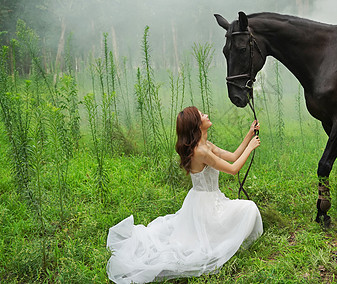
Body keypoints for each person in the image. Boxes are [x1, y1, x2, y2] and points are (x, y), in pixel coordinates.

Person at [106, 106, 263, 283]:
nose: (207, 115)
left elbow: (233, 156)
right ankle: (224, 242)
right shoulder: (201, 152)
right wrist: (250, 148)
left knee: (244, 210)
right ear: (196, 124)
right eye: (202, 115)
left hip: (207, 200)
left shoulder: (206, 145)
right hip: (206, 206)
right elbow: (233, 170)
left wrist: (250, 134)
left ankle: (224, 238)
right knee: (249, 207)